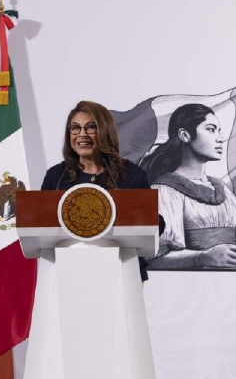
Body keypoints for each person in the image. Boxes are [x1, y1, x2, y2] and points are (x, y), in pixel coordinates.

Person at [41, 100, 157, 280]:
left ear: (105, 132)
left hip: (122, 273)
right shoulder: (56, 177)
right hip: (68, 274)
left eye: (90, 127)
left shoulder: (132, 175)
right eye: (75, 128)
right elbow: (39, 224)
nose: (82, 134)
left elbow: (156, 223)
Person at [138, 103, 236, 269]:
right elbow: (153, 258)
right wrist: (203, 257)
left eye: (219, 131)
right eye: (211, 129)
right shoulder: (163, 190)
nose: (220, 138)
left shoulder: (223, 189)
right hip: (190, 285)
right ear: (184, 135)